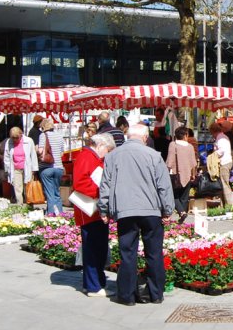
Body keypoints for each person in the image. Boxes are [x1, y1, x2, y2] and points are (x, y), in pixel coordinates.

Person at [98, 124, 173, 306]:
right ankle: (156, 294)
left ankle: (126, 296)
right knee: (154, 253)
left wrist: (103, 208)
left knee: (127, 253)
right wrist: (167, 209)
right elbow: (164, 185)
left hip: (125, 211)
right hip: (151, 211)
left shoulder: (113, 155)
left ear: (127, 136)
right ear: (145, 137)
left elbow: (105, 184)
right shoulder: (153, 156)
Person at [73, 132, 117, 297]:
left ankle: (95, 283)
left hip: (95, 209)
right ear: (100, 146)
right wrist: (102, 192)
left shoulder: (91, 157)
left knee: (98, 247)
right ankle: (93, 286)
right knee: (93, 248)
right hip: (89, 210)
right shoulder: (86, 157)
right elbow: (80, 183)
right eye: (108, 149)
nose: (108, 153)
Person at [166, 127, 199, 224]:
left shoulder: (173, 145)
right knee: (184, 197)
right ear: (185, 135)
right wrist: (193, 174)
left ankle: (182, 213)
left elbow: (170, 161)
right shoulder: (190, 147)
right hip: (187, 174)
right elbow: (193, 163)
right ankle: (182, 218)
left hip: (175, 175)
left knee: (173, 195)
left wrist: (166, 171)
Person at [3, 126, 38, 204]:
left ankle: (29, 206)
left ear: (21, 135)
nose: (15, 140)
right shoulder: (9, 142)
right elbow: (7, 156)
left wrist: (34, 169)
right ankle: (20, 206)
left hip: (27, 168)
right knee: (18, 189)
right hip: (15, 168)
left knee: (28, 188)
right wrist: (7, 169)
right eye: (13, 138)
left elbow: (33, 155)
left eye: (17, 138)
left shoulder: (29, 141)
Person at [37, 118, 64, 216]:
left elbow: (40, 151)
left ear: (43, 127)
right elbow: (61, 153)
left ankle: (51, 213)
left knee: (49, 193)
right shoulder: (60, 136)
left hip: (46, 168)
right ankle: (60, 213)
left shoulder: (43, 135)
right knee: (56, 192)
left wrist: (36, 149)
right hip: (59, 167)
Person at [209, 122, 233, 208]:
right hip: (225, 162)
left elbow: (221, 151)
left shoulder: (221, 139)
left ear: (214, 131)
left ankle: (229, 205)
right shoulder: (222, 137)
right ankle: (223, 205)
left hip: (224, 163)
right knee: (222, 184)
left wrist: (213, 155)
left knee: (224, 184)